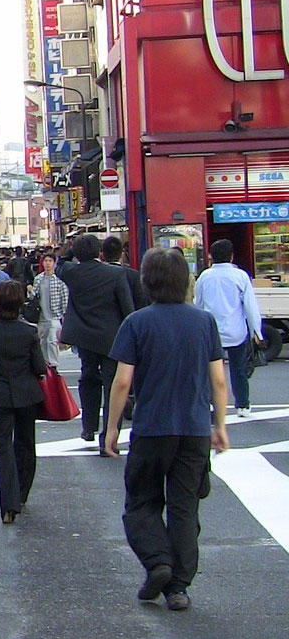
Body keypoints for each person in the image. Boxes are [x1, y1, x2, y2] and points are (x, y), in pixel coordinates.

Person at [104, 247, 229, 612]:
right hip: (193, 427)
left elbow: (123, 382)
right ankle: (179, 587)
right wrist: (219, 425)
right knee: (185, 507)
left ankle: (158, 561)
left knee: (141, 502)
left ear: (147, 281)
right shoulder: (204, 322)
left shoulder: (137, 323)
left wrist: (111, 427)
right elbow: (218, 380)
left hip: (152, 427)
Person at [0, 280, 47, 524]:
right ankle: (22, 493)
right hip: (26, 393)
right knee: (26, 444)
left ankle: (8, 503)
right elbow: (38, 366)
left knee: (2, 448)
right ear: (20, 304)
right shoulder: (29, 332)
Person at [57, 235, 135, 451]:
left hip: (84, 337)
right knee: (113, 386)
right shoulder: (115, 273)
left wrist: (71, 249)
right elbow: (127, 307)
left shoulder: (73, 273)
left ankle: (88, 426)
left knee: (88, 378)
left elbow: (60, 263)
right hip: (112, 337)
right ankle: (110, 436)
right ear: (99, 252)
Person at [194, 238, 263, 418]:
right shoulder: (240, 276)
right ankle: (242, 405)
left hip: (211, 332)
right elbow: (250, 305)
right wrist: (256, 330)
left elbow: (198, 304)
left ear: (211, 257)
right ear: (232, 257)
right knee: (238, 369)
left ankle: (209, 402)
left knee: (209, 369)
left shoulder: (204, 277)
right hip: (236, 331)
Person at [32, 254, 69, 367]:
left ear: (54, 263)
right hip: (41, 316)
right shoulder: (38, 278)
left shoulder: (59, 279)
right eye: (45, 261)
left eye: (50, 261)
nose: (47, 263)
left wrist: (65, 314)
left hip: (54, 316)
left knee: (52, 341)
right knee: (42, 342)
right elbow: (34, 296)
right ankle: (45, 364)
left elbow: (64, 297)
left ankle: (54, 364)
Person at [103, 236, 149, 310]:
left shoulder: (97, 275)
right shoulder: (134, 275)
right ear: (121, 254)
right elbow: (141, 302)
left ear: (103, 255)